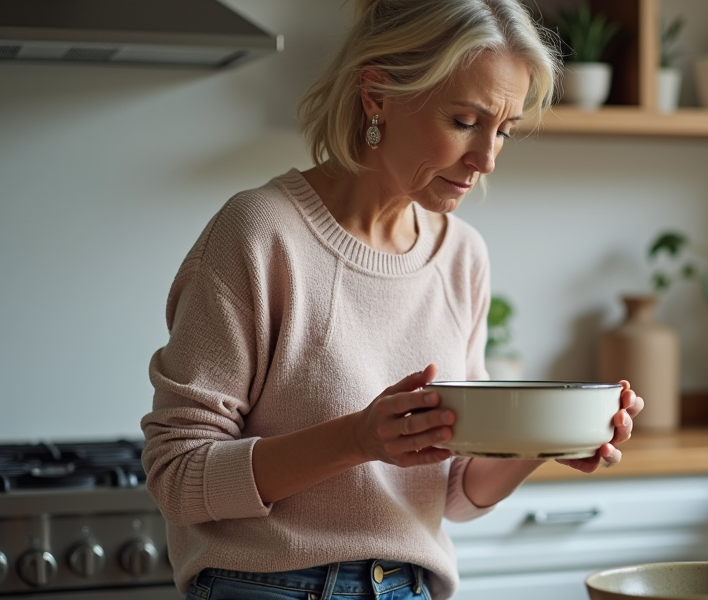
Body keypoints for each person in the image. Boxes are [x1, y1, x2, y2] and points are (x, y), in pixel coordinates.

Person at [139, 1, 644, 599]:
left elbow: (455, 489)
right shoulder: (260, 233)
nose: (486, 160)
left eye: (502, 131)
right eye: (464, 121)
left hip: (409, 588)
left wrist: (551, 441)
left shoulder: (462, 257)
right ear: (377, 94)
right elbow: (176, 475)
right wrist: (357, 440)